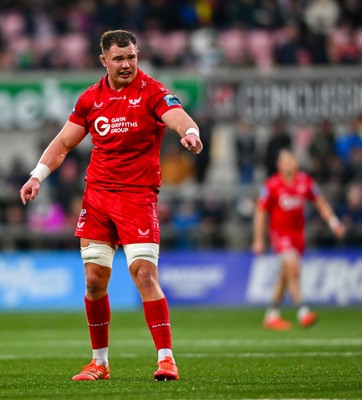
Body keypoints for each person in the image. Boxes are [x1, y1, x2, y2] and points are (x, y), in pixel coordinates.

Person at [20, 29, 203, 381]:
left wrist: (190, 133)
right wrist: (36, 176)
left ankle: (166, 359)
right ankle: (99, 363)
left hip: (137, 196)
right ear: (103, 60)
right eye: (118, 58)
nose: (126, 64)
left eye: (131, 57)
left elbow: (177, 115)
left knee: (144, 275)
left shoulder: (152, 91)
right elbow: (62, 144)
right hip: (98, 197)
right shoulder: (91, 98)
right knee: (93, 281)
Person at [252, 149, 345, 331]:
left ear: (296, 163)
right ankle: (303, 311)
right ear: (279, 165)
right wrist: (258, 239)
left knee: (284, 275)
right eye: (284, 160)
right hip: (280, 234)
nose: (288, 163)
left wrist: (334, 223)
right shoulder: (271, 185)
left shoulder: (305, 182)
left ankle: (271, 315)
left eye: (291, 159)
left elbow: (320, 202)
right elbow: (260, 212)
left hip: (298, 235)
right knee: (293, 267)